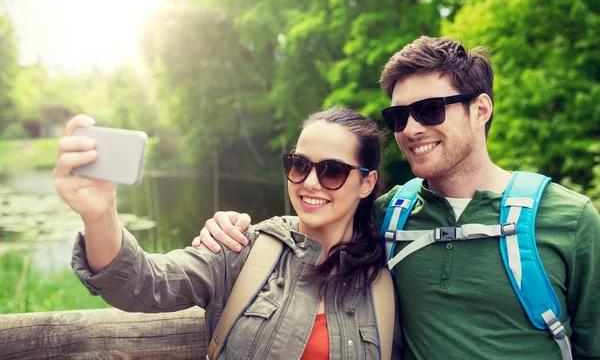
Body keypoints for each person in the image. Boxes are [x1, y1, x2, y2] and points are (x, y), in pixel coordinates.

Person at [192, 36, 600, 359]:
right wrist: (231, 226)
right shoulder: (387, 217)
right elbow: (306, 229)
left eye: (429, 110)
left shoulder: (570, 219)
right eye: (399, 116)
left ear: (480, 110)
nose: (410, 128)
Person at [54, 108, 401, 359]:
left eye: (332, 171)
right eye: (300, 164)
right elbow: (142, 283)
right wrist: (99, 215)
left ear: (367, 182)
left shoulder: (383, 283)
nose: (310, 182)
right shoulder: (241, 247)